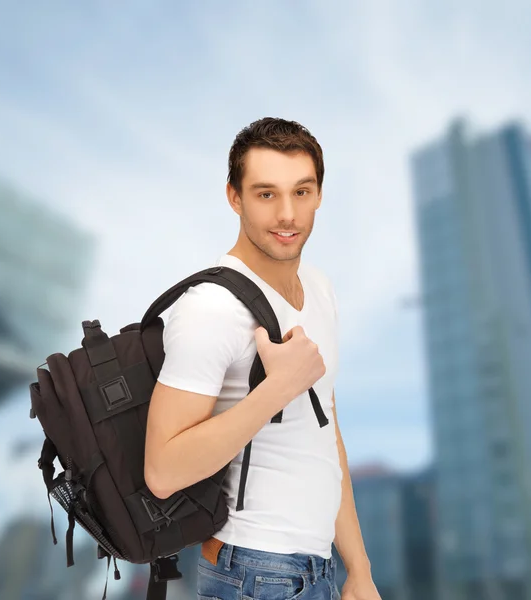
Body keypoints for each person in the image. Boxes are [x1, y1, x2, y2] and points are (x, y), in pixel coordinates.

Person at [144, 118, 380, 600]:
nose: (288, 214)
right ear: (235, 197)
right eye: (266, 194)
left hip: (318, 569)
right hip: (251, 569)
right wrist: (276, 388)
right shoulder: (212, 306)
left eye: (301, 191)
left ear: (319, 195)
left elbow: (323, 431)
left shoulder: (319, 289)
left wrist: (358, 568)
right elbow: (162, 471)